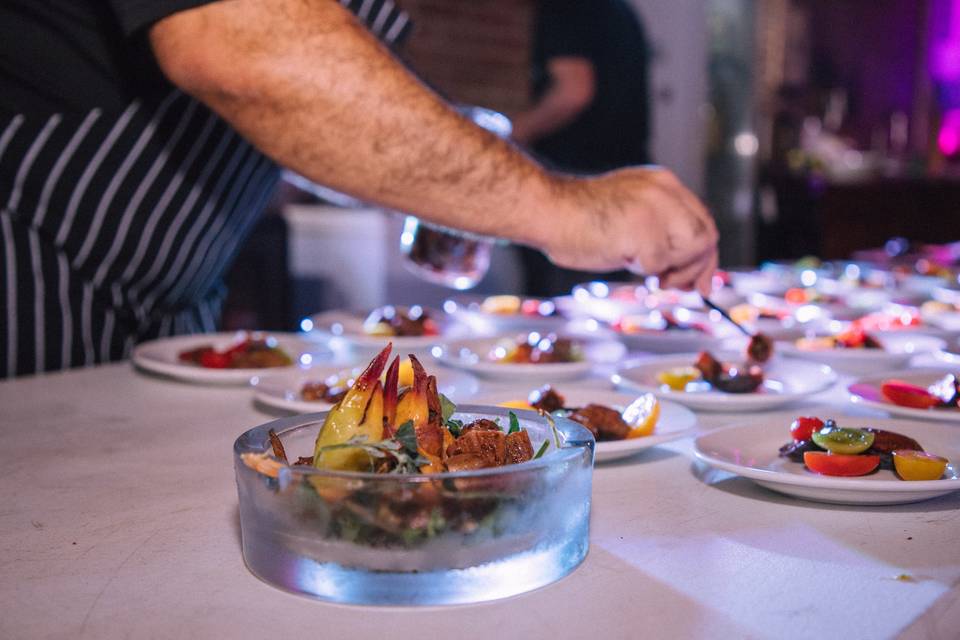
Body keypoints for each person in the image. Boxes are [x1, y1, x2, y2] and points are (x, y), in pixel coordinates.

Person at [0, 0, 717, 378]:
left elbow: (321, 100)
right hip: (35, 291)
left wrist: (444, 175)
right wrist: (560, 205)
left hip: (166, 318)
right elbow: (246, 50)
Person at [511, 0, 656, 296]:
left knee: (556, 316)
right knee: (603, 311)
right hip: (621, 184)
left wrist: (512, 134)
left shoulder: (566, 8)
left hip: (573, 188)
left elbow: (574, 92)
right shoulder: (621, 12)